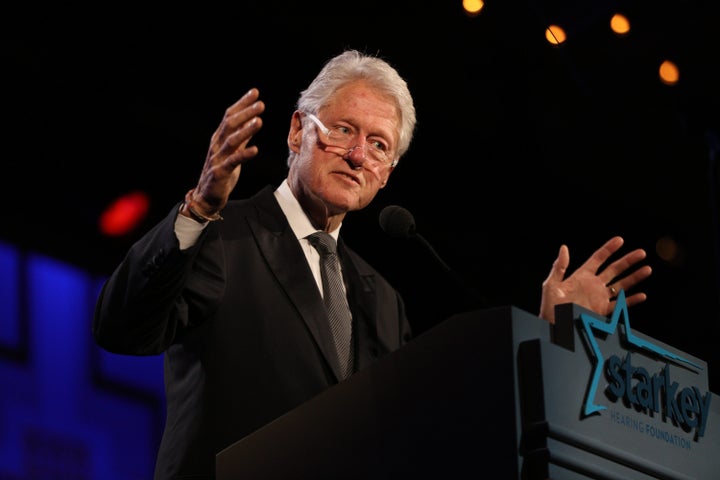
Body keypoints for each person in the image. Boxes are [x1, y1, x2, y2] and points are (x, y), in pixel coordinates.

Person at [92, 49, 652, 479]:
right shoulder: (224, 232)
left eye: (380, 146)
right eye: (343, 130)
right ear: (296, 131)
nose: (360, 155)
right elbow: (122, 327)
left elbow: (433, 424)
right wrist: (199, 207)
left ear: (387, 174)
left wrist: (547, 337)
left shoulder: (381, 298)